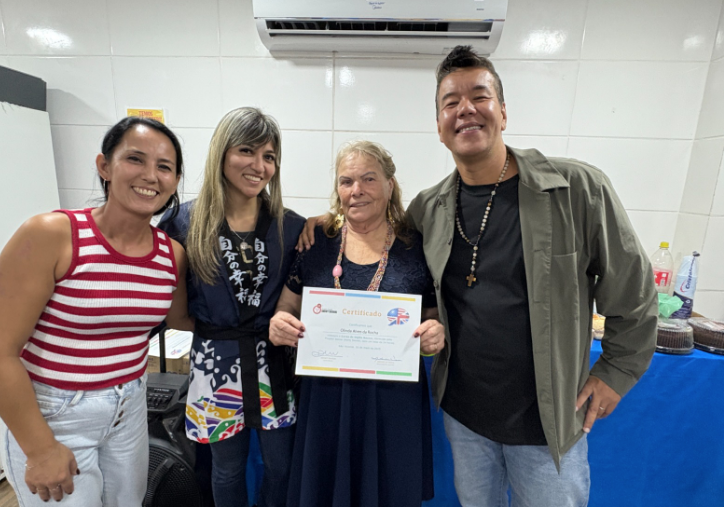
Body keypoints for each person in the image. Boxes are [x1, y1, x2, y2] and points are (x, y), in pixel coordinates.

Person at [298, 46, 658, 507]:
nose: (465, 109)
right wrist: (326, 223)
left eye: (479, 96)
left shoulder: (576, 190)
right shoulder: (429, 208)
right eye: (451, 102)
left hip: (546, 422)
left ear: (503, 112)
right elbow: (375, 229)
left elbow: (634, 292)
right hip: (465, 419)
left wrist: (617, 371)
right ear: (439, 126)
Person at [0, 116, 193, 506]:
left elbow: (183, 321)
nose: (150, 175)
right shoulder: (52, 235)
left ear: (175, 181)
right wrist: (39, 448)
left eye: (164, 167)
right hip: (57, 411)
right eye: (135, 159)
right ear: (104, 165)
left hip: (130, 408)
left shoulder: (170, 255)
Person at [269, 140, 445, 507]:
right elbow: (287, 306)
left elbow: (433, 315)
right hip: (326, 398)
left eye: (369, 179)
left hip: (393, 402)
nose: (357, 190)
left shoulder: (416, 247)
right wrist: (280, 324)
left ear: (389, 185)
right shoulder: (317, 243)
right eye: (346, 181)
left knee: (389, 490)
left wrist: (435, 332)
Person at [158, 107, 305, 507]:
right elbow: (177, 314)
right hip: (215, 364)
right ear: (221, 153)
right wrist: (216, 333)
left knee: (281, 465)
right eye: (246, 151)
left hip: (274, 363)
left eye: (269, 156)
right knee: (226, 468)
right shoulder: (183, 223)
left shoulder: (291, 226)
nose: (259, 166)